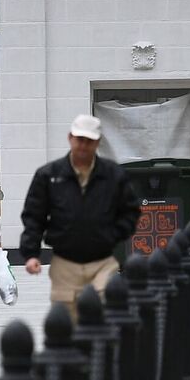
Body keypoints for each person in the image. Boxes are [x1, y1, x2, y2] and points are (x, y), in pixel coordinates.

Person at [20, 114, 142, 308]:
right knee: (67, 325)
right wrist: (31, 253)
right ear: (70, 138)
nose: (84, 146)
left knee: (104, 318)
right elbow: (34, 216)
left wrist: (112, 235)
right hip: (64, 263)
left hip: (103, 262)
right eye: (80, 140)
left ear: (98, 142)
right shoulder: (49, 175)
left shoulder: (113, 175)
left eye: (90, 141)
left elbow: (131, 211)